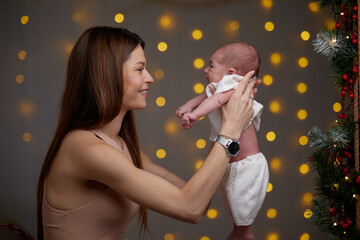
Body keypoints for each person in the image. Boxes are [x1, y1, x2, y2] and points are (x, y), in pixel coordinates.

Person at [36, 26, 259, 240]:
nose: (149, 78)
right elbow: (190, 207)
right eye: (140, 69)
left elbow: (199, 200)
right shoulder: (85, 148)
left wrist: (221, 119)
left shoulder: (122, 147)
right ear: (107, 74)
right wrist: (231, 130)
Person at [176, 42, 269, 240]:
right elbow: (205, 96)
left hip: (246, 166)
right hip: (231, 162)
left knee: (242, 214)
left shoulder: (234, 89)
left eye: (211, 65)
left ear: (231, 73)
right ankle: (240, 232)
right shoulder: (220, 88)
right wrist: (188, 106)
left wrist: (196, 115)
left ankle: (243, 234)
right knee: (234, 206)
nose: (206, 69)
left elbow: (215, 101)